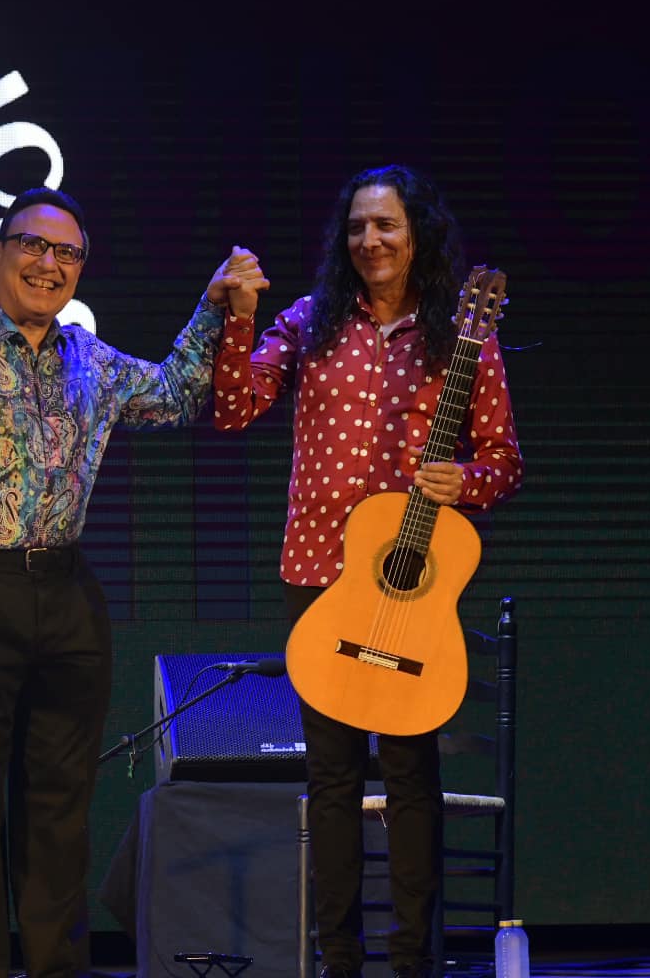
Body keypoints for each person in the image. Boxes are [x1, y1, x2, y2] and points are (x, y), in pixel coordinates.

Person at [0, 185, 269, 978]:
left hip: (64, 596)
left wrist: (214, 304)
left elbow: (178, 394)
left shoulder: (91, 359)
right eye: (31, 245)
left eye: (66, 253)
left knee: (58, 810)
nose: (47, 265)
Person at [211, 165, 523, 978]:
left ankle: (414, 960)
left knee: (413, 775)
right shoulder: (310, 323)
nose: (370, 241)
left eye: (385, 225)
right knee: (334, 777)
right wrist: (240, 318)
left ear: (417, 233)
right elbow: (237, 405)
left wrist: (469, 482)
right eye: (356, 227)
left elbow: (503, 461)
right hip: (318, 574)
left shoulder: (462, 336)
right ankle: (338, 960)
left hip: (410, 579)